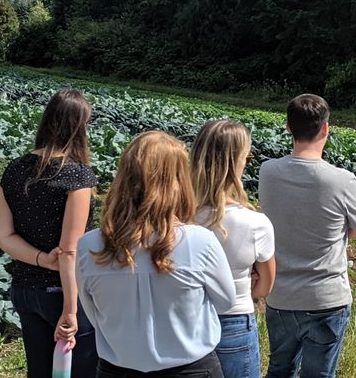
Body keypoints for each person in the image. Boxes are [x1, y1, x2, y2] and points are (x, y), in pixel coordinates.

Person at [76, 131, 237, 377]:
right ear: (179, 181)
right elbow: (226, 302)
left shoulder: (88, 245)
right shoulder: (200, 241)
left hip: (117, 370)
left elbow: (94, 316)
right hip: (191, 370)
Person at [259, 94, 356, 378]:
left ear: (288, 127)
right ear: (325, 129)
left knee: (279, 369)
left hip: (280, 295)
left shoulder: (268, 172)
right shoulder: (342, 180)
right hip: (326, 298)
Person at [0, 88, 100, 378]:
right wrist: (70, 310)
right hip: (63, 294)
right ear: (79, 127)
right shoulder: (77, 176)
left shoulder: (14, 169)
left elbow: (3, 237)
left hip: (25, 290)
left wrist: (41, 258)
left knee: (39, 373)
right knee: (80, 372)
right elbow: (70, 250)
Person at [189, 119, 276, 378]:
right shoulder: (256, 223)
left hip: (186, 319)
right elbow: (264, 287)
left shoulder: (178, 216)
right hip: (234, 318)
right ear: (236, 162)